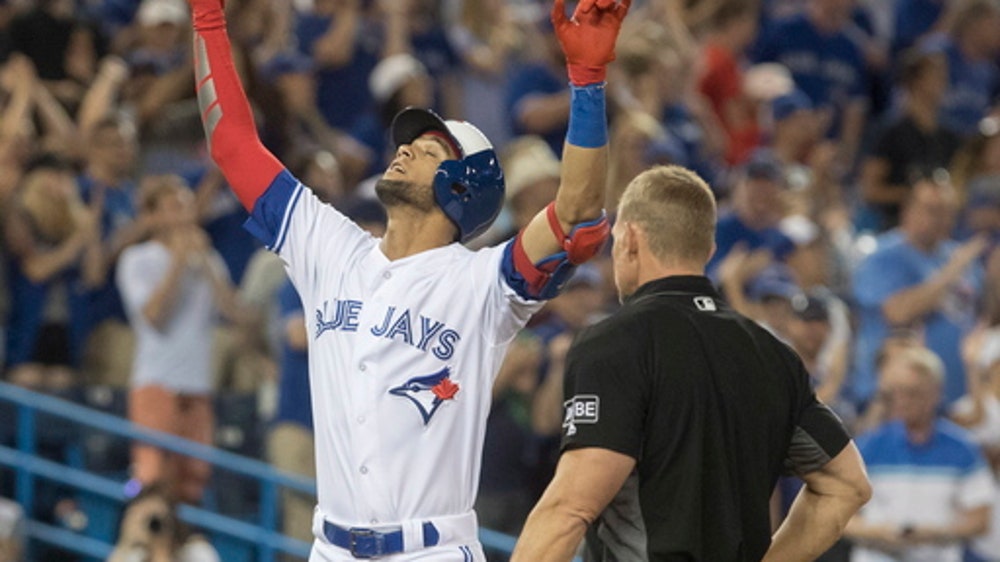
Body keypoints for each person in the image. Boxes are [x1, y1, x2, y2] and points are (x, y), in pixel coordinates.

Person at [186, 0, 629, 559]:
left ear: (463, 185)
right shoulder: (330, 247)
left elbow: (579, 219)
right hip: (331, 548)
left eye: (427, 149)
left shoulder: (482, 283)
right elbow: (232, 145)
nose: (404, 149)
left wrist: (587, 83)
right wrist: (207, 17)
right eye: (407, 143)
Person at [511, 165, 871, 562]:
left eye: (614, 241)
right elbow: (847, 485)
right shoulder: (772, 353)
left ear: (630, 239)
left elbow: (569, 509)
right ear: (709, 250)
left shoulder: (614, 344)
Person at [845, 346, 994, 562]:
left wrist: (934, 534)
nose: (904, 401)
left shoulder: (963, 448)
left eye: (913, 393)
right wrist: (878, 533)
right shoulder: (868, 447)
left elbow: (980, 519)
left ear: (936, 393)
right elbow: (842, 518)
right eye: (898, 392)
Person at [106, 482, 220, 562]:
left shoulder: (198, 553)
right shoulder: (135, 556)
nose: (154, 525)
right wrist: (125, 544)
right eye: (148, 518)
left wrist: (161, 553)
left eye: (157, 518)